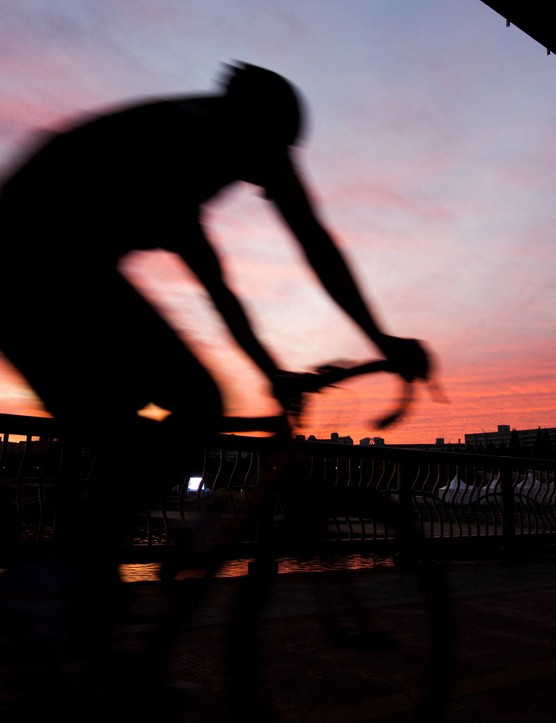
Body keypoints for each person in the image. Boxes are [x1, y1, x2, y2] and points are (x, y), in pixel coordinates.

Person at [0, 61, 433, 718]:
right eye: (275, 155)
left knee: (130, 430)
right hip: (37, 263)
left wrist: (283, 365)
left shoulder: (195, 136)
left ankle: (85, 633)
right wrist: (376, 342)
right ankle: (56, 592)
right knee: (196, 401)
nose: (277, 174)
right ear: (256, 133)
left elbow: (254, 267)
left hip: (39, 265)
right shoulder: (190, 141)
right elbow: (270, 257)